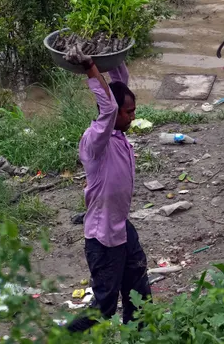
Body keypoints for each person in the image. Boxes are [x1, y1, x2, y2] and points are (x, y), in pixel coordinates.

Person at [64, 48, 151, 333]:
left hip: (121, 228)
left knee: (138, 289)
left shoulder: (117, 134)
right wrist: (90, 67)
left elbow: (120, 81)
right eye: (129, 112)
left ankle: (137, 334)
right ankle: (65, 336)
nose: (133, 116)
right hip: (103, 240)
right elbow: (110, 107)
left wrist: (113, 54)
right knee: (103, 307)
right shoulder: (96, 142)